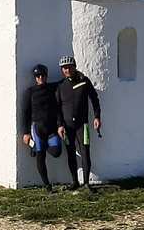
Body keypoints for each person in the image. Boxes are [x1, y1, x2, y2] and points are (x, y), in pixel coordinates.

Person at [55, 55, 101, 191]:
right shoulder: (60, 86)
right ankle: (74, 181)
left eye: (69, 67)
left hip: (83, 125)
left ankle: (86, 183)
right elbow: (57, 108)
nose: (67, 70)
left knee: (85, 152)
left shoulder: (84, 81)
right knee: (70, 154)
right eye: (64, 68)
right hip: (67, 127)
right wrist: (60, 125)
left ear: (74, 67)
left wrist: (97, 117)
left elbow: (94, 99)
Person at [21, 63, 63, 192]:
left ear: (46, 76)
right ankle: (47, 185)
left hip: (51, 128)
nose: (40, 77)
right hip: (37, 127)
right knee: (41, 156)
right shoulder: (30, 92)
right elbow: (25, 113)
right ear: (35, 77)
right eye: (38, 75)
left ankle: (36, 147)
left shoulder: (52, 88)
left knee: (56, 152)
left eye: (43, 75)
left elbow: (64, 82)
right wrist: (26, 132)